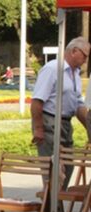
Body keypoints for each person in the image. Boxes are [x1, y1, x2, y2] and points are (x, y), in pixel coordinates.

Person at [33, 36, 89, 187]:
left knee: (68, 165)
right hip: (49, 122)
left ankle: (55, 204)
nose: (86, 60)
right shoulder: (53, 69)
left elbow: (78, 104)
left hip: (65, 124)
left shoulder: (75, 74)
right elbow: (37, 101)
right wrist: (38, 128)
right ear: (74, 51)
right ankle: (50, 206)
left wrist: (89, 126)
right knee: (53, 169)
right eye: (85, 55)